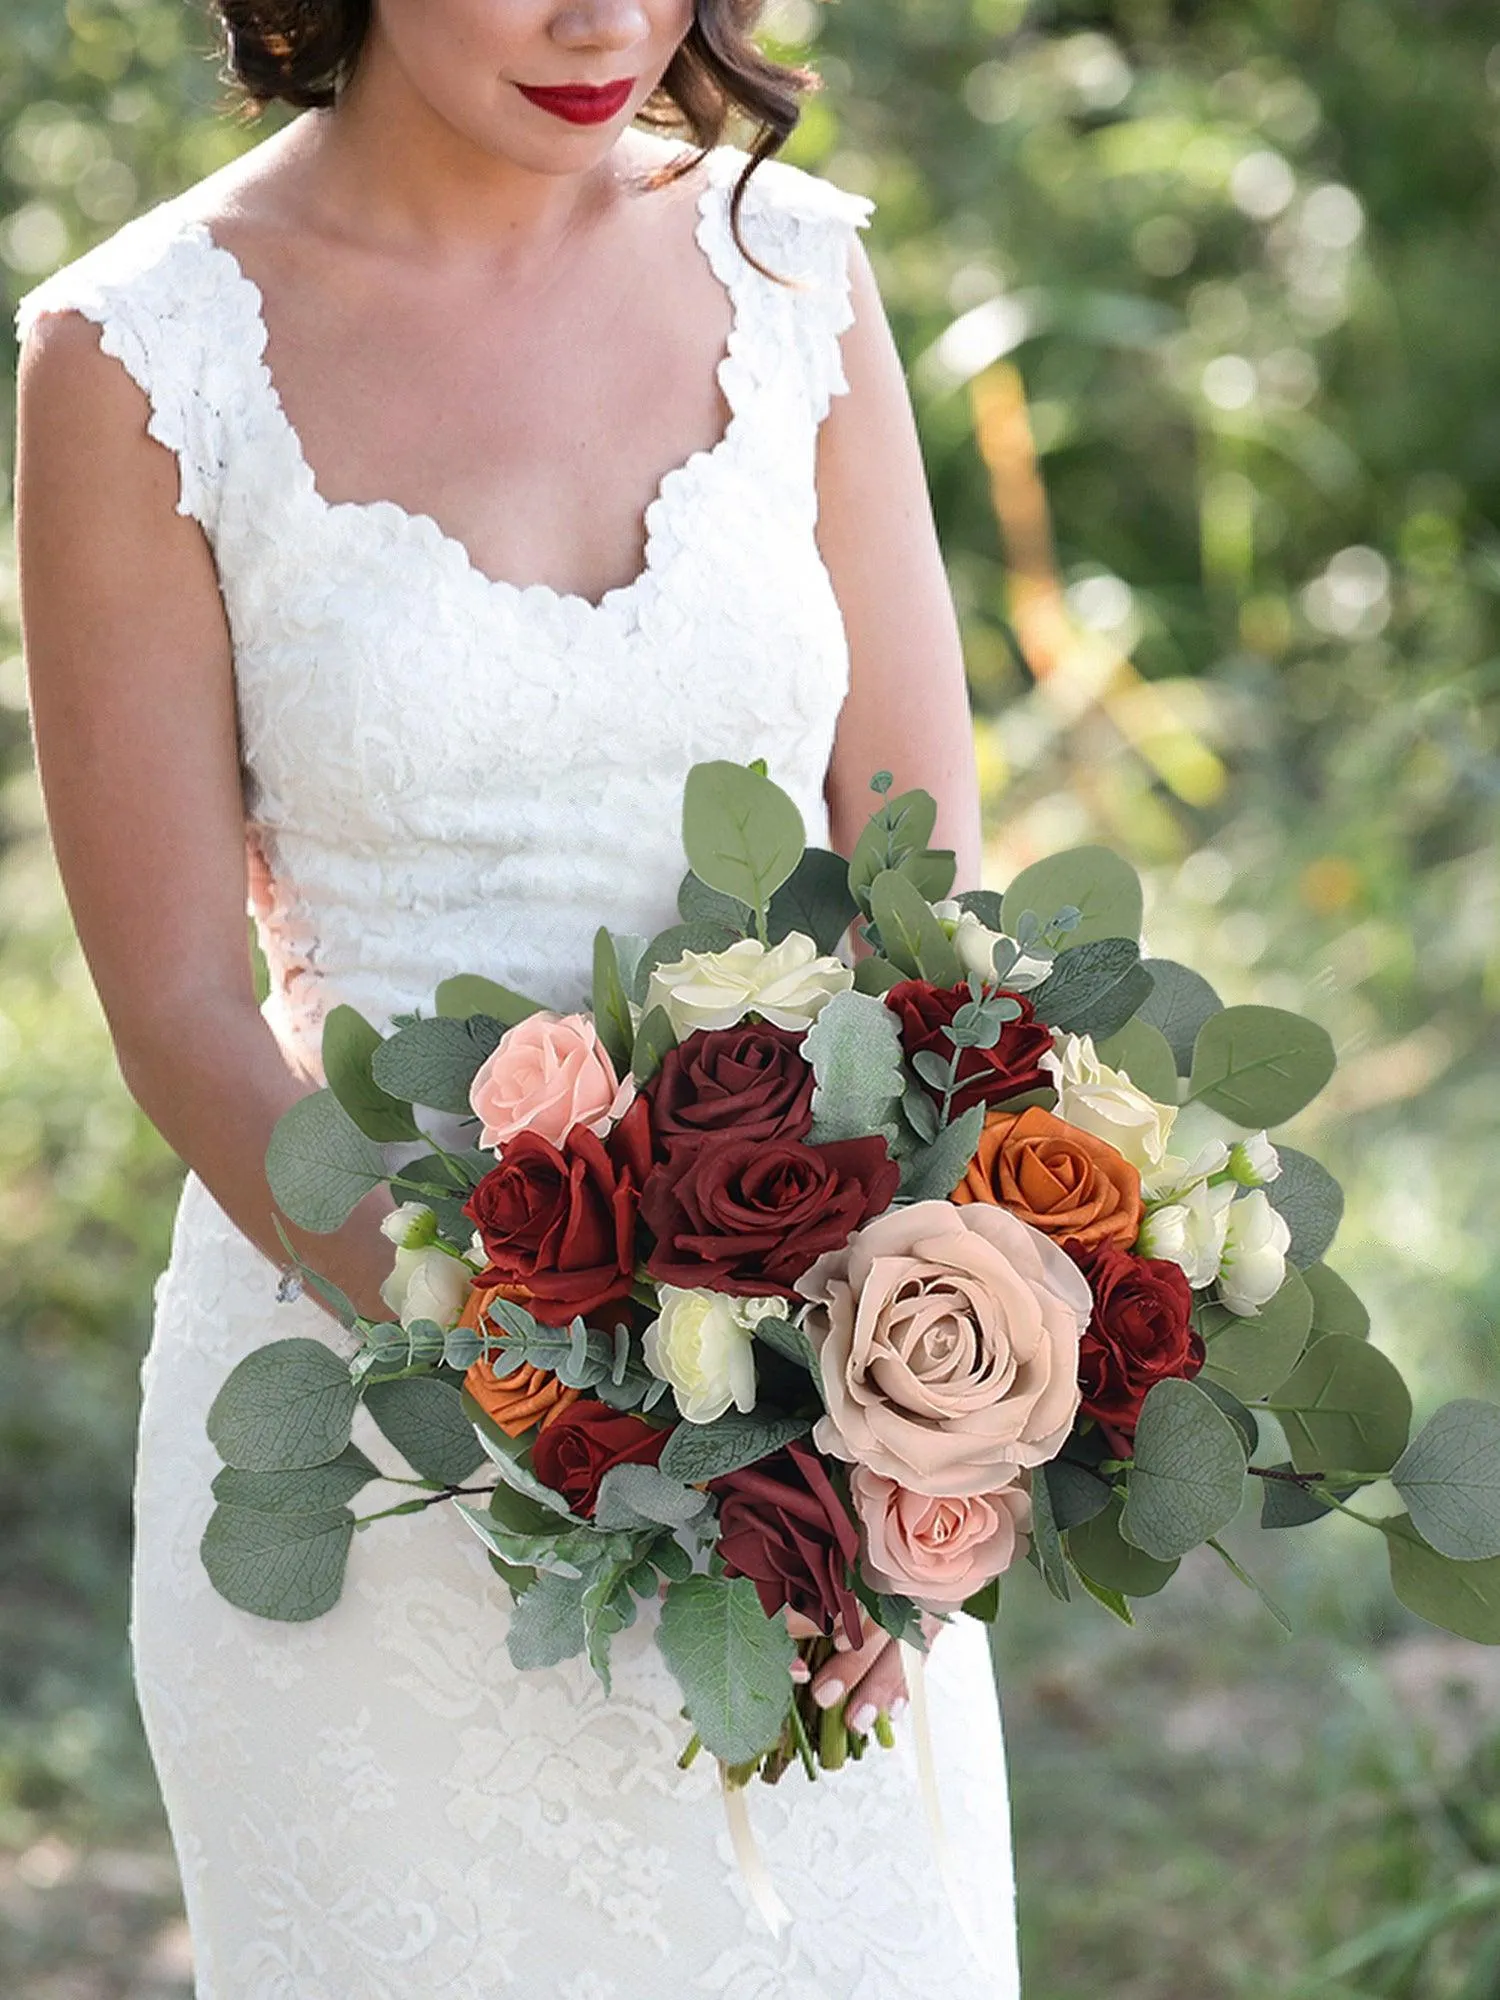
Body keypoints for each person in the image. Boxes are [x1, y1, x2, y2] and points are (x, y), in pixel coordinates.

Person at [12, 2, 1022, 1992]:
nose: (605, 22)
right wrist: (548, 1390)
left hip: (803, 1406)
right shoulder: (134, 360)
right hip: (369, 1430)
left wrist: (868, 1422)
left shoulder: (794, 272)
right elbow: (183, 1016)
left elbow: (926, 902)